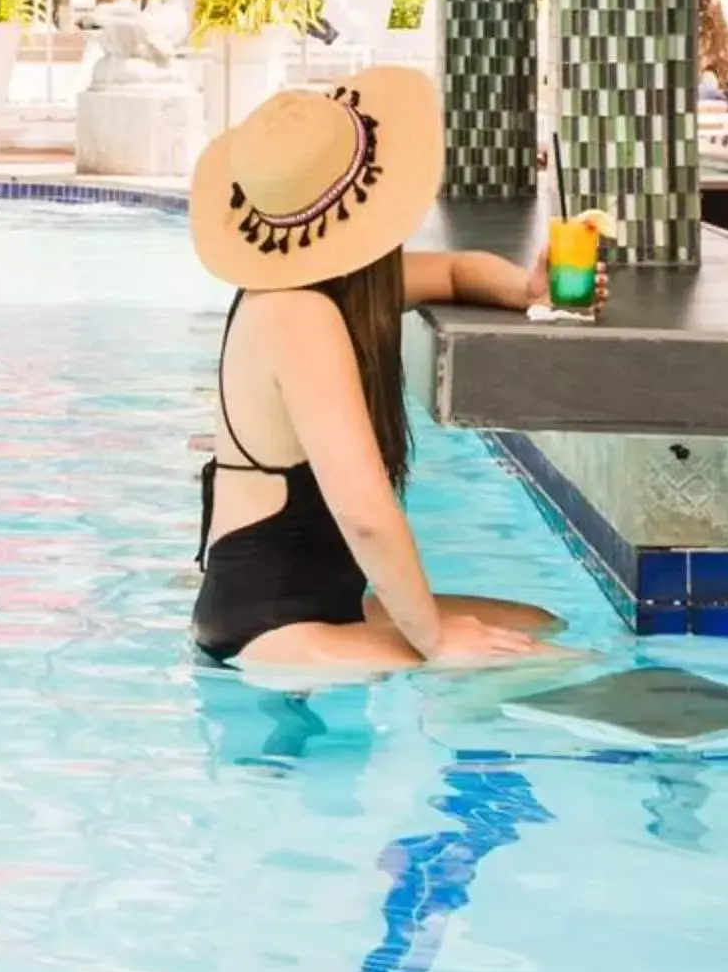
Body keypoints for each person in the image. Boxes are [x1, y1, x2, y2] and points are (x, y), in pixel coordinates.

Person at [187, 70, 575, 673]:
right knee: (550, 660)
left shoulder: (315, 290)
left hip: (317, 601)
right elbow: (365, 513)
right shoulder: (300, 316)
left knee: (539, 624)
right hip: (271, 625)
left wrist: (528, 289)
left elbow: (452, 272)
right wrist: (436, 640)